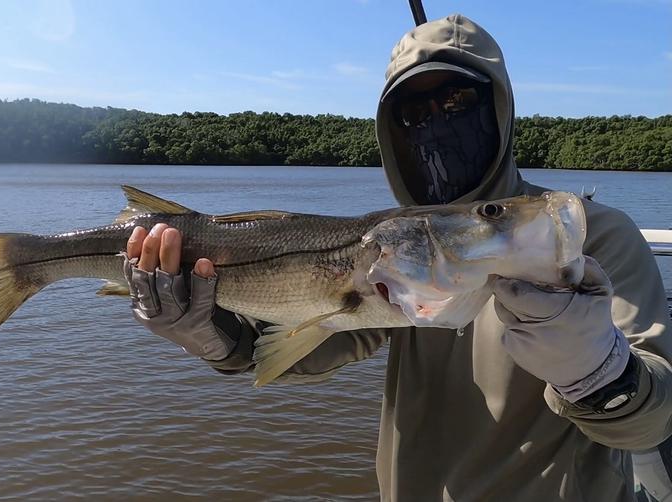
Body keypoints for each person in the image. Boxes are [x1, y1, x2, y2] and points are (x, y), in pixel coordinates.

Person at [122, 14, 672, 502]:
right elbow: (321, 341)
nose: (437, 124)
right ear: (392, 133)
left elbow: (650, 425)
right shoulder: (404, 245)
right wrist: (211, 334)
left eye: (458, 102)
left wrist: (596, 371)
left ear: (499, 110)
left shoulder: (589, 234)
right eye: (414, 112)